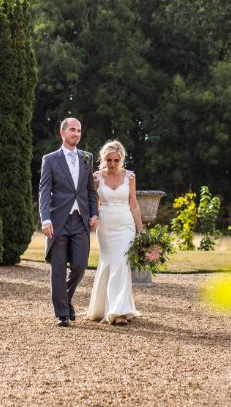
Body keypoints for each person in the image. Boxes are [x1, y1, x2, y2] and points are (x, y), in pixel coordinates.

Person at [37, 117, 98, 327]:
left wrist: (94, 213)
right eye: (72, 130)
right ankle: (62, 313)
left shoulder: (87, 158)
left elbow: (90, 191)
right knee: (58, 269)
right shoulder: (50, 159)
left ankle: (65, 299)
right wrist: (45, 219)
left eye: (79, 130)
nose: (76, 134)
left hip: (81, 220)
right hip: (57, 221)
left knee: (80, 266)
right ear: (63, 133)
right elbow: (44, 192)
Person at [85, 139, 143, 325]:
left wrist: (140, 229)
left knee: (121, 263)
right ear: (104, 159)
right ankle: (102, 308)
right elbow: (95, 202)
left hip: (126, 225)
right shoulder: (96, 177)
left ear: (122, 159)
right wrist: (93, 218)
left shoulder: (130, 177)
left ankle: (119, 312)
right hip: (106, 226)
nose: (112, 164)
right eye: (109, 160)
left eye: (116, 160)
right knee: (109, 263)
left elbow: (133, 203)